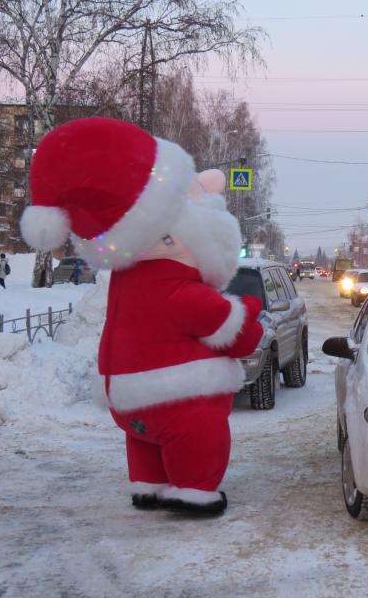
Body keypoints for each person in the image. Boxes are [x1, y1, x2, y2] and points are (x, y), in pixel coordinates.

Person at [20, 117, 264, 516]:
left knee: (145, 437)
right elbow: (231, 331)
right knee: (198, 432)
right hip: (177, 397)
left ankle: (148, 483)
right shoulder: (178, 287)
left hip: (127, 399)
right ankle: (193, 488)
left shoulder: (124, 280)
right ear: (176, 234)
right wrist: (247, 317)